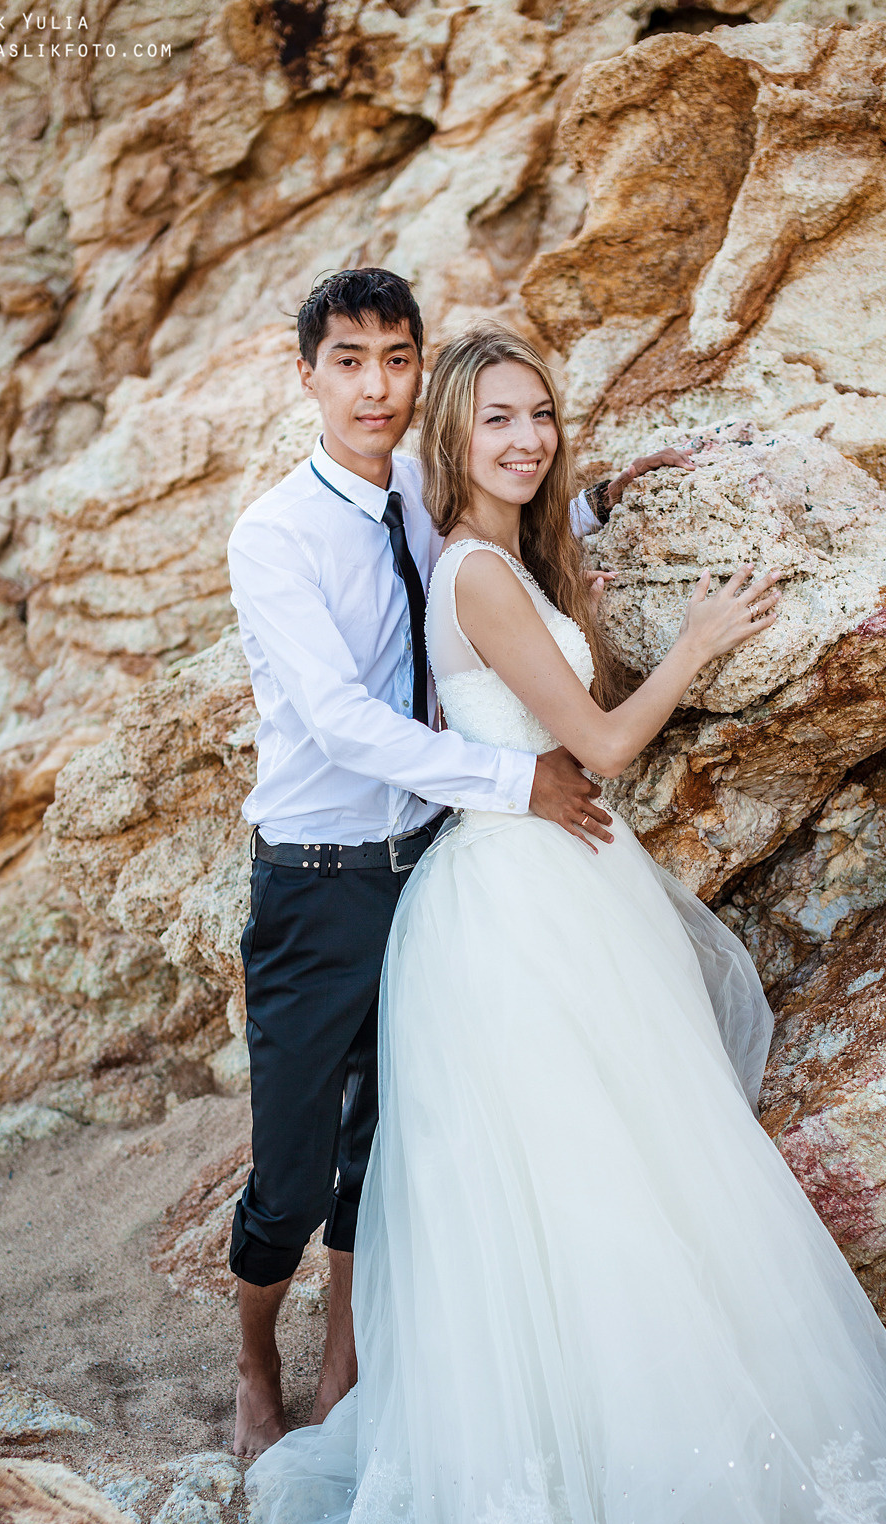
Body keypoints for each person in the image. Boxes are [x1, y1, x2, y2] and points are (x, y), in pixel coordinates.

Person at [246, 322, 886, 1524]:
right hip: (510, 913)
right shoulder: (476, 573)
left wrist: (599, 527)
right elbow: (597, 750)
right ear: (453, 438)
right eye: (496, 420)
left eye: (541, 415)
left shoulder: (506, 559)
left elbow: (548, 618)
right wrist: (707, 642)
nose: (526, 438)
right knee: (576, 1196)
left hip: (564, 894)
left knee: (638, 1179)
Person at [228, 268, 698, 1455]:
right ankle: (251, 1362)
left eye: (397, 359)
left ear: (417, 372)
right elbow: (338, 719)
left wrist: (603, 498)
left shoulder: (420, 509)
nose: (375, 385)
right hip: (319, 875)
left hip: (427, 866)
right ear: (309, 377)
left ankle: (344, 1360)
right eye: (349, 360)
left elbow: (509, 535)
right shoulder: (275, 533)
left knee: (387, 1140)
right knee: (289, 1162)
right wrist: (517, 782)